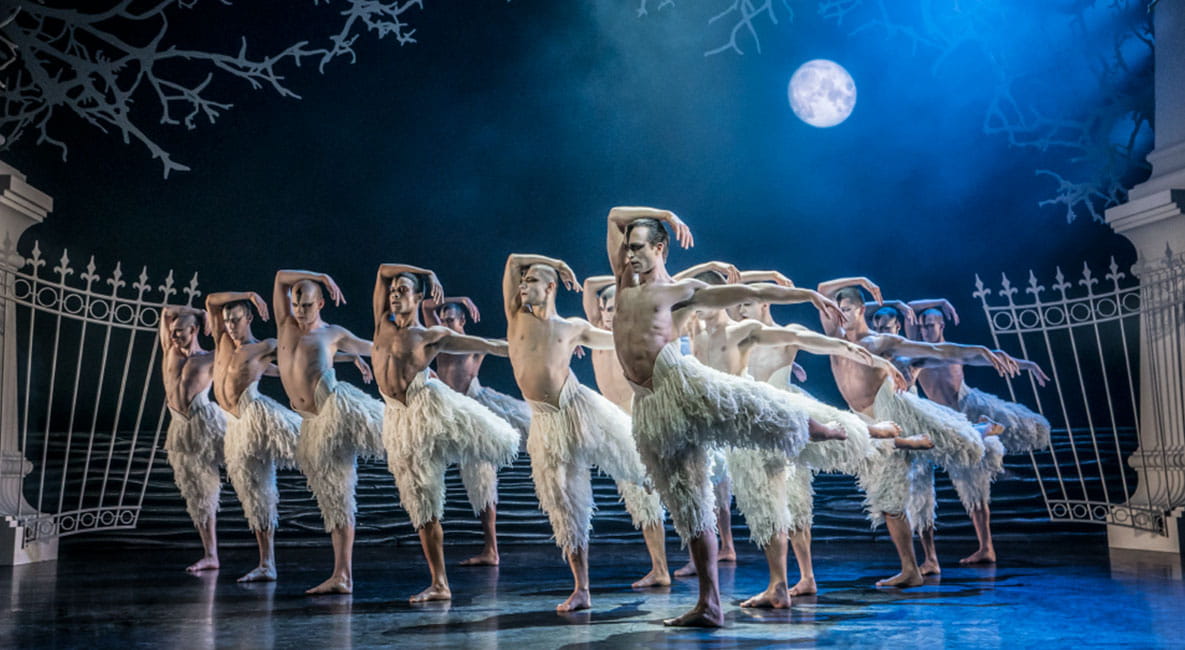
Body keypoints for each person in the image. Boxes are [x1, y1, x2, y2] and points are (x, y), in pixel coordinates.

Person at [604, 206, 847, 627]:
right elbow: (613, 215)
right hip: (650, 406)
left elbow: (746, 296)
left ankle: (815, 427)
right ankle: (709, 604)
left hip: (682, 385)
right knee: (689, 506)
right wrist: (664, 213)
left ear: (660, 248)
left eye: (639, 248)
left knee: (750, 404)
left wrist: (808, 296)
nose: (629, 256)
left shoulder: (681, 292)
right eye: (627, 248)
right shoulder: (623, 283)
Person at [817, 277, 1014, 586]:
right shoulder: (834, 336)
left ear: (862, 309)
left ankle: (911, 569)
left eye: (847, 309)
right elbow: (821, 289)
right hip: (868, 424)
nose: (840, 314)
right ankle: (976, 429)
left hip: (890, 414)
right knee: (890, 500)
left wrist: (978, 350)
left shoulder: (877, 342)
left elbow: (936, 349)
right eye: (837, 309)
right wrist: (861, 281)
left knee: (895, 494)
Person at [504, 253, 666, 612]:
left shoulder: (572, 327)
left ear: (548, 288)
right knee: (564, 501)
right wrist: (560, 263)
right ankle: (582, 589)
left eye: (531, 281)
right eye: (523, 281)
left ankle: (660, 480)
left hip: (578, 405)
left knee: (631, 454)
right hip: (546, 422)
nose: (522, 285)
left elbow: (614, 341)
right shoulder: (516, 319)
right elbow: (514, 260)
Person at [373, 264, 521, 602]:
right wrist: (426, 271)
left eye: (402, 291)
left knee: (454, 481)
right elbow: (383, 271)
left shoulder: (430, 336)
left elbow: (489, 344)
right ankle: (439, 582)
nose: (394, 295)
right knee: (421, 503)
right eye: (393, 291)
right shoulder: (382, 322)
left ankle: (452, 575)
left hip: (427, 408)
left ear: (418, 298)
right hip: (397, 419)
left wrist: (538, 348)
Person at [907, 300, 1051, 564]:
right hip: (946, 422)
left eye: (930, 325)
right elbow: (909, 307)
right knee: (971, 483)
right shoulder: (915, 350)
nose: (926, 330)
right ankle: (989, 439)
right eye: (923, 326)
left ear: (941, 325)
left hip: (968, 406)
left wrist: (1029, 366)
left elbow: (990, 356)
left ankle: (987, 546)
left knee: (1031, 425)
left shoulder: (954, 352)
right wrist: (940, 302)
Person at [273, 270, 382, 594]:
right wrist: (320, 275)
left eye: (307, 305)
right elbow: (280, 277)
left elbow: (373, 348)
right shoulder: (285, 325)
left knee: (342, 494)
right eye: (296, 304)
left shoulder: (332, 333)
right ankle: (341, 575)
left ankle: (343, 574)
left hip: (334, 414)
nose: (301, 311)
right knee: (333, 499)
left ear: (320, 303)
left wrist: (416, 359)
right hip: (310, 424)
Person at [422, 296, 531, 566]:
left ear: (463, 321)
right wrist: (459, 299)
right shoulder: (439, 341)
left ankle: (491, 549)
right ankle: (487, 550)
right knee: (466, 479)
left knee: (483, 477)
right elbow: (426, 306)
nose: (444, 323)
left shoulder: (473, 345)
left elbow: (506, 347)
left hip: (475, 407)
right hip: (449, 411)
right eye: (443, 319)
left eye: (450, 320)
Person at [581, 276, 671, 587]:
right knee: (640, 500)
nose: (607, 314)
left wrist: (632, 287)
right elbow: (590, 284)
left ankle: (663, 568)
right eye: (605, 309)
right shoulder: (594, 332)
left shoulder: (630, 335)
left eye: (614, 309)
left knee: (652, 496)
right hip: (615, 426)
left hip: (638, 422)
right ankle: (659, 568)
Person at [206, 291, 301, 582]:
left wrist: (353, 358)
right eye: (227, 321)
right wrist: (247, 294)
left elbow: (302, 354)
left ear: (248, 318)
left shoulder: (262, 347)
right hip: (234, 426)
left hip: (256, 415)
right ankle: (266, 564)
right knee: (254, 495)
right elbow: (211, 301)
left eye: (236, 320)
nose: (231, 326)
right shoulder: (222, 341)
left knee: (310, 443)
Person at [158, 305, 225, 573]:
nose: (174, 337)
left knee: (235, 475)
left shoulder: (210, 357)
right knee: (197, 493)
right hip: (179, 427)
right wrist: (200, 311)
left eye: (180, 333)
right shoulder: (170, 351)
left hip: (205, 423)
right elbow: (165, 311)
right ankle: (211, 554)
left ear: (194, 331)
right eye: (172, 333)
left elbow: (245, 361)